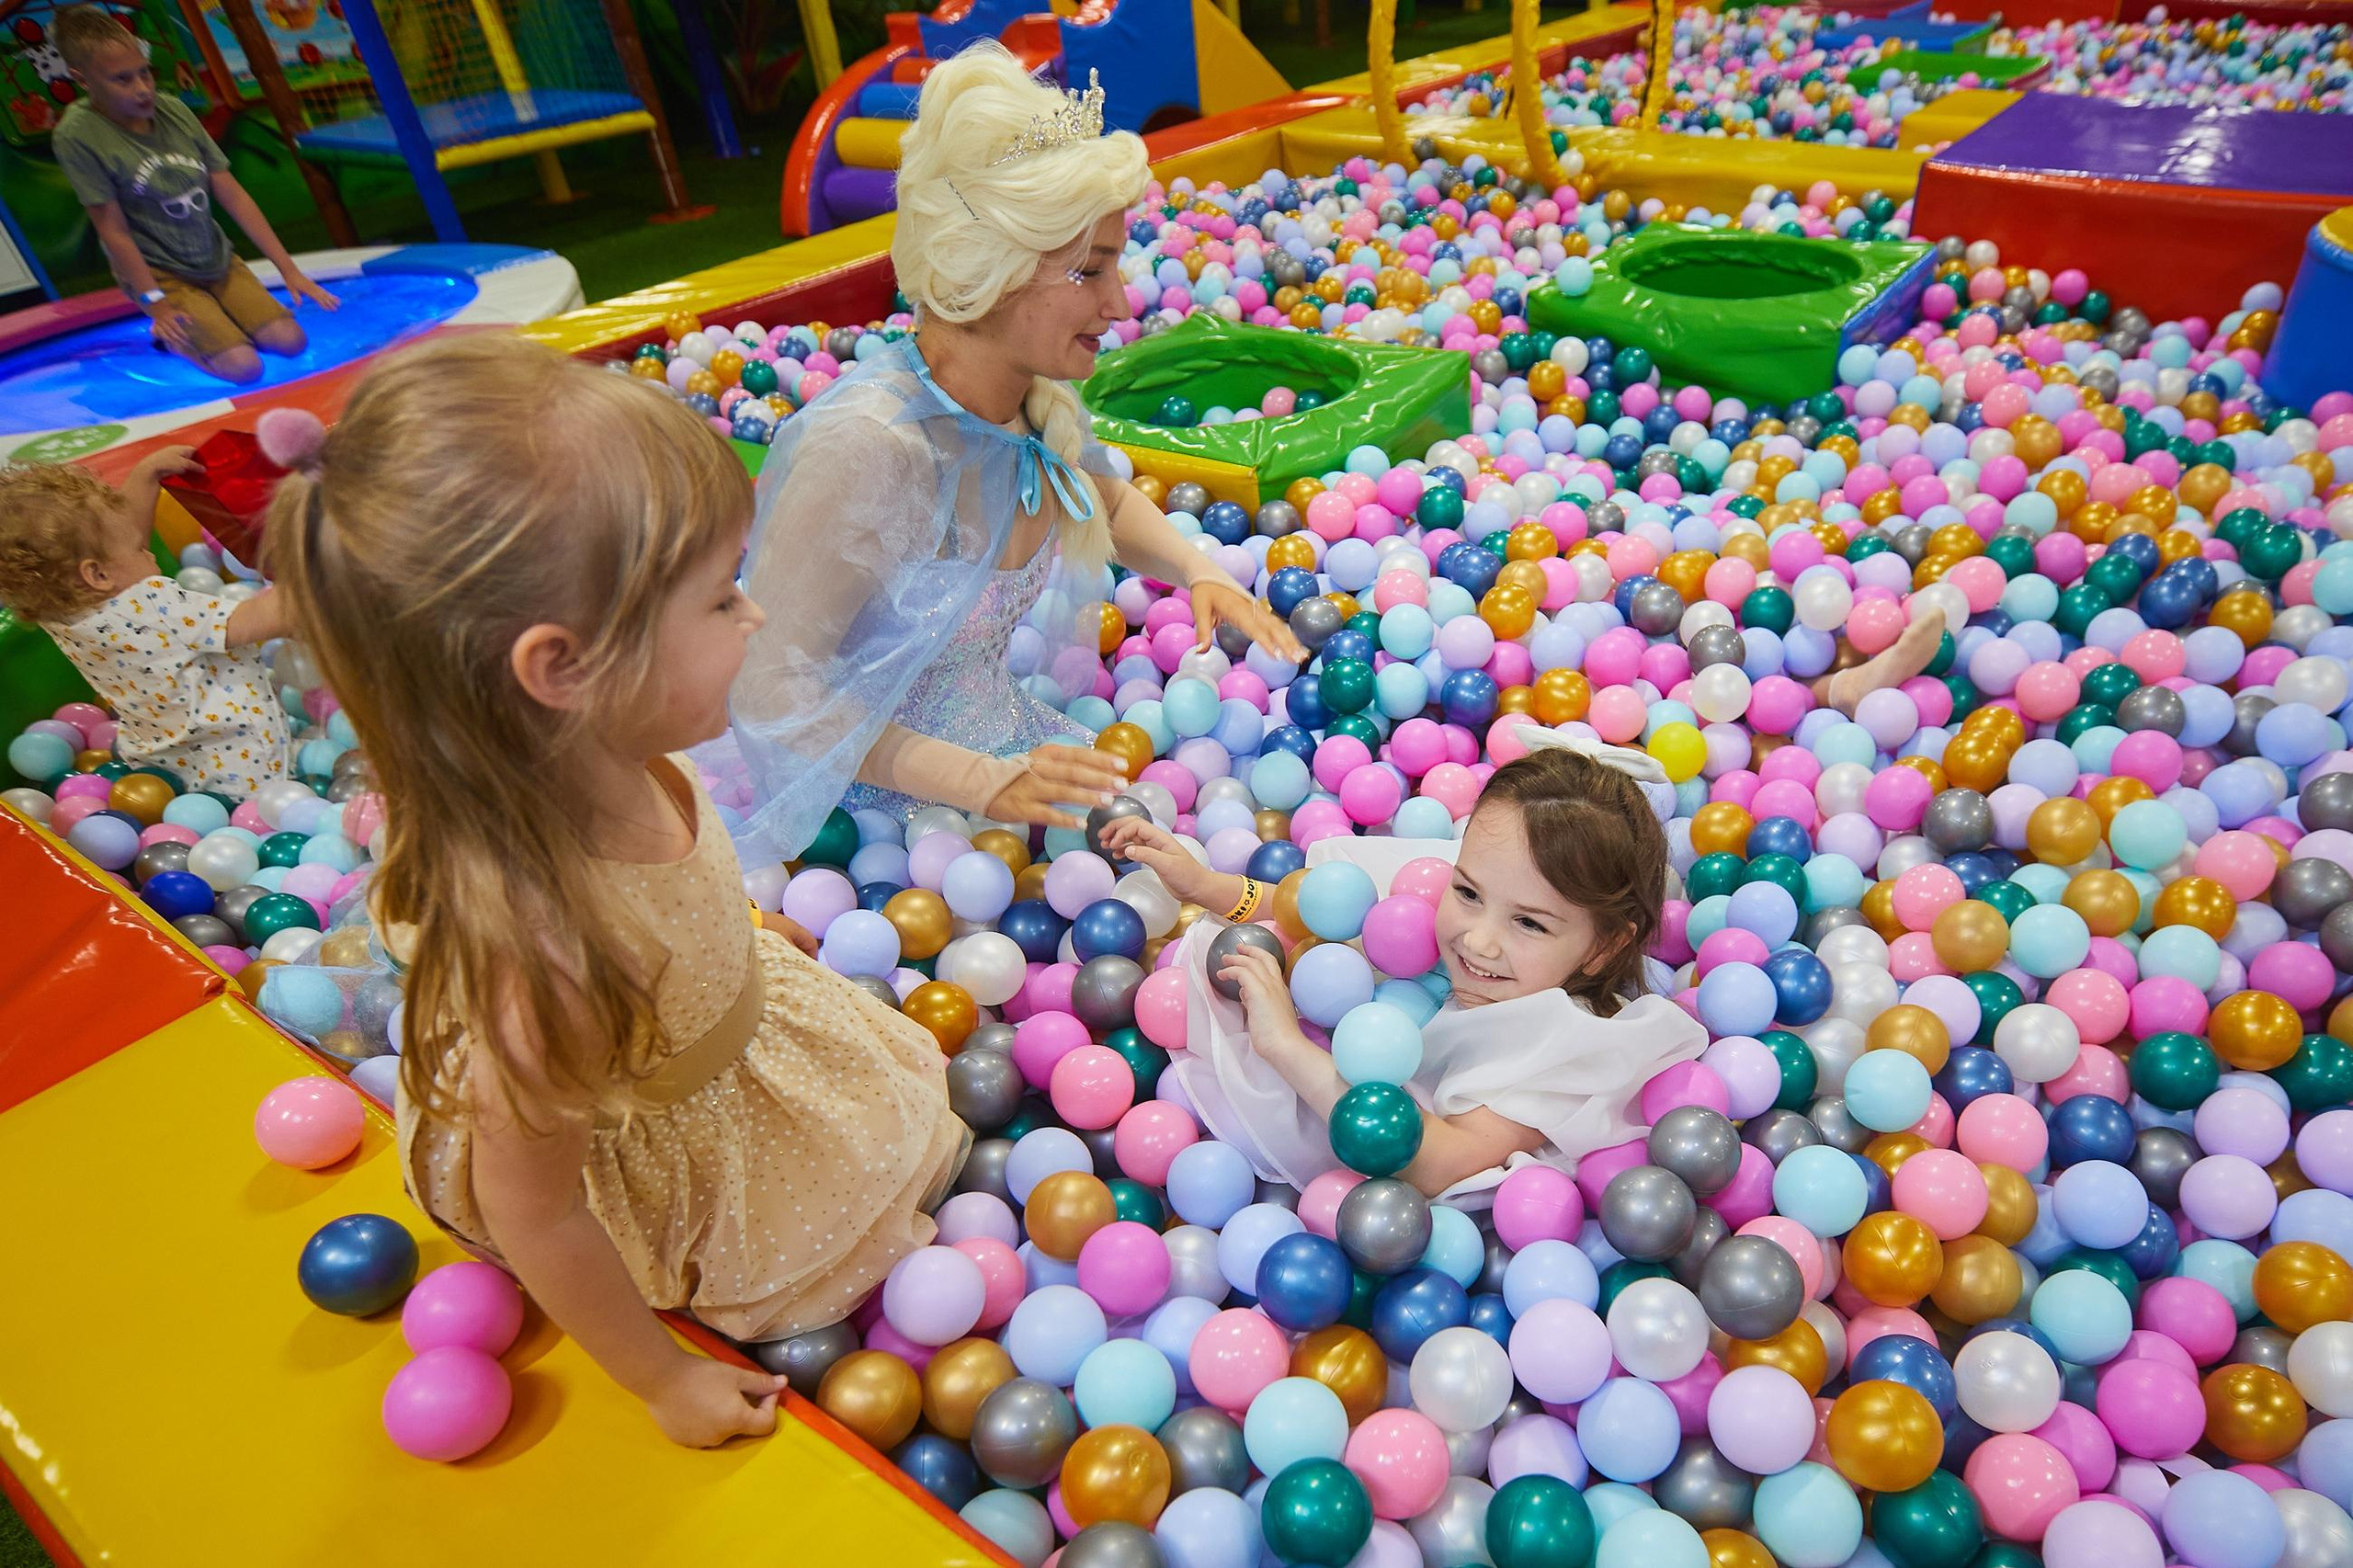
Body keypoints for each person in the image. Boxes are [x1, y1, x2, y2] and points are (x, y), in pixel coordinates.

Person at [267, 334, 963, 1448]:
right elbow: (538, 1213)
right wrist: (662, 1377)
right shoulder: (549, 960)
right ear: (564, 667)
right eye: (721, 598)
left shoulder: (604, 746)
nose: (757, 617)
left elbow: (675, 889)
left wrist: (735, 939)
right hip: (674, 1148)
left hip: (728, 1036)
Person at [729, 43, 1304, 865]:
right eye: (1089, 272)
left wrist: (1198, 570)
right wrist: (973, 780)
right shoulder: (870, 447)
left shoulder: (1029, 401)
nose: (1121, 302)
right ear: (989, 271)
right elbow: (769, 685)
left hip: (1012, 773)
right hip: (863, 826)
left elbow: (1096, 496)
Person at [1099, 730, 1710, 1199]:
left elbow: (1437, 1163)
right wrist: (1207, 886)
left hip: (1348, 1144)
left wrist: (1284, 1044)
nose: (1478, 940)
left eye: (1529, 924)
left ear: (1604, 947)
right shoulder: (1437, 900)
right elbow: (1319, 917)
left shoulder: (1565, 1046)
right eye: (1467, 892)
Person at [51, 5, 338, 385]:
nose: (142, 89)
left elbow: (232, 193)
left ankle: (221, 323)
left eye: (144, 73)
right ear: (82, 79)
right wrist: (156, 303)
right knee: (245, 369)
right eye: (122, 79)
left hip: (212, 258)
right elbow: (113, 231)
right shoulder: (78, 136)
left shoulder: (173, 110)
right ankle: (178, 342)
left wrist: (289, 270)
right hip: (160, 273)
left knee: (291, 343)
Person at [0, 449, 293, 795]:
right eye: (140, 550)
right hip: (247, 764)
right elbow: (257, 620)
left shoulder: (61, 612)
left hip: (165, 759)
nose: (149, 551)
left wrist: (145, 475)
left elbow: (119, 539)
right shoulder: (156, 605)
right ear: (97, 575)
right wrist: (309, 574)